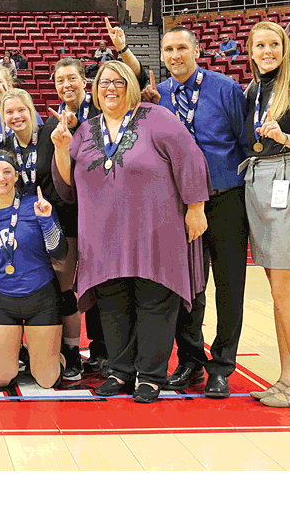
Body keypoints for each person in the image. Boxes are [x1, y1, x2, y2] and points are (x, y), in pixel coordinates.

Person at [51, 60, 212, 404]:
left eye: (118, 83)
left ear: (131, 86)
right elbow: (67, 189)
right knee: (112, 305)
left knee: (154, 304)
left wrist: (196, 207)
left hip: (155, 233)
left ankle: (151, 376)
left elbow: (190, 158)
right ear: (94, 90)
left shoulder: (156, 118)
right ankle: (120, 371)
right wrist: (62, 149)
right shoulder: (84, 130)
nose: (110, 89)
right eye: (104, 83)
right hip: (102, 238)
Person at [136, 26, 249, 398]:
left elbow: (245, 143)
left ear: (196, 50)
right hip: (180, 204)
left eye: (181, 47)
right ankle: (191, 360)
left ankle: (222, 366)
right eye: (168, 49)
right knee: (187, 286)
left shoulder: (226, 89)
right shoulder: (159, 96)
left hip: (225, 198)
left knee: (229, 286)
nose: (174, 55)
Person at [0, 88, 81, 380]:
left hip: (62, 219)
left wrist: (72, 123)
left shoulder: (50, 131)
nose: (16, 116)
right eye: (9, 112)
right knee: (36, 287)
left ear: (31, 109)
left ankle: (72, 352)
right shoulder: (6, 144)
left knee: (63, 290)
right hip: (26, 227)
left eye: (21, 109)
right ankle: (36, 349)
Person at [240, 21, 290, 408]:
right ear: (250, 50)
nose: (267, 51)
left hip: (288, 176)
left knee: (285, 291)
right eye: (259, 45)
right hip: (259, 180)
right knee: (277, 292)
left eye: (273, 44)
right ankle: (287, 378)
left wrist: (283, 138)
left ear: (284, 47)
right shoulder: (253, 89)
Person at [0, 150, 68, 389]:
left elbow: (59, 252)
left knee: (46, 380)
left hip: (41, 297)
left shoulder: (35, 205)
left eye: (7, 172)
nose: (1, 178)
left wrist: (47, 220)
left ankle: (51, 356)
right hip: (2, 300)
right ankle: (19, 350)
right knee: (0, 378)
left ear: (16, 175)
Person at [41, 58, 106, 375]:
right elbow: (47, 177)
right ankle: (70, 350)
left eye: (71, 78)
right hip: (67, 217)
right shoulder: (51, 125)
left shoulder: (105, 116)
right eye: (59, 80)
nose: (66, 85)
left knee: (99, 285)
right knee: (66, 287)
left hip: (102, 217)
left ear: (85, 81)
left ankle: (102, 350)